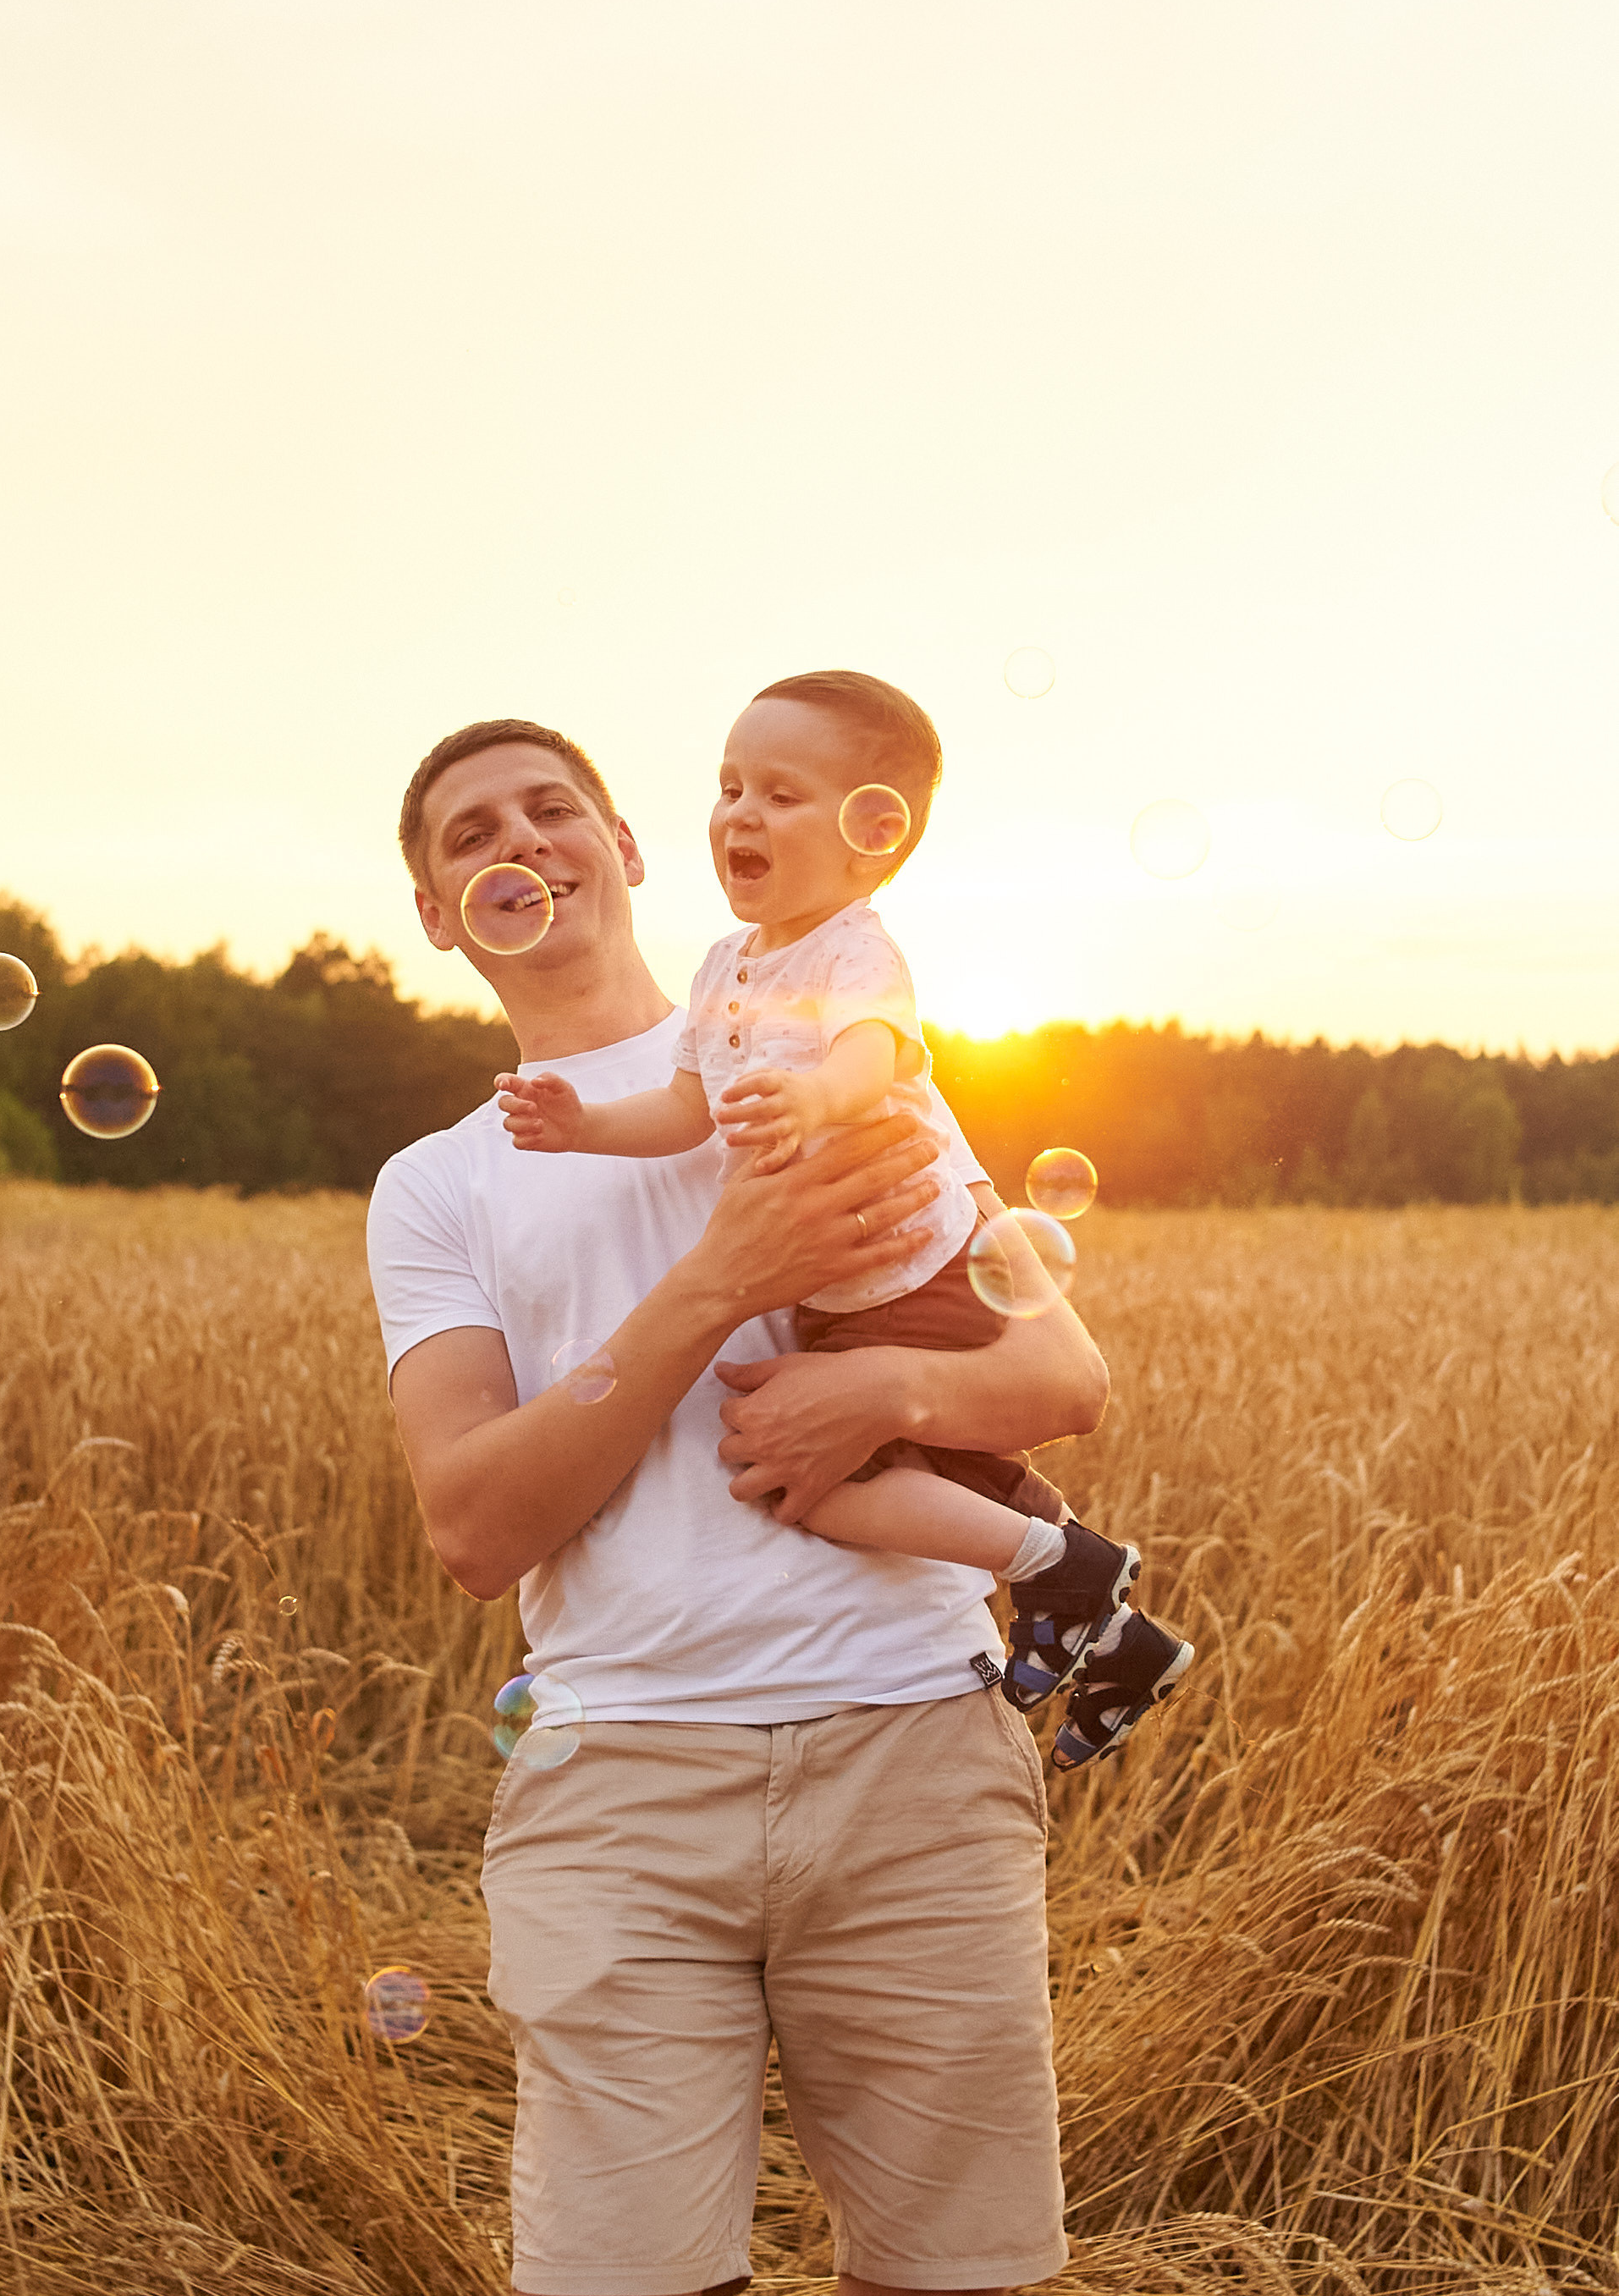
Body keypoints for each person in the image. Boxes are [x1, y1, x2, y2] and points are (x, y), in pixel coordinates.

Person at [364, 713, 1112, 2296]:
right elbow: (471, 1523)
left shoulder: (833, 1063)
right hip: (622, 1776)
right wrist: (721, 1274)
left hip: (912, 1739)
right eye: (470, 835)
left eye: (550, 806)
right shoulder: (441, 1188)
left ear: (622, 843)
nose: (518, 841)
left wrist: (884, 1387)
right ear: (443, 914)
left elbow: (1061, 1388)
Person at [492, 666, 1191, 1768]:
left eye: (780, 793)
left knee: (823, 1489)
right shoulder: (725, 966)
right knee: (937, 1473)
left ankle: (1069, 1574)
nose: (741, 813)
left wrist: (813, 1094)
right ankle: (1108, 1625)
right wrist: (583, 1122)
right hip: (843, 1298)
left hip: (915, 1276)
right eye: (729, 788)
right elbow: (685, 1109)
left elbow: (874, 1054)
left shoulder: (857, 952)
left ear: (874, 839)